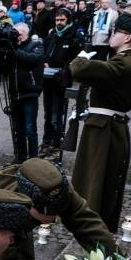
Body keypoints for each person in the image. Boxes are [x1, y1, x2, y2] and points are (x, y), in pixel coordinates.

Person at [69, 9, 131, 232]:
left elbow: (79, 69)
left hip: (104, 130)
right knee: (100, 182)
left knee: (94, 183)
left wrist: (82, 55)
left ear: (128, 38)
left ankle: (90, 230)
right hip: (107, 127)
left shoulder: (124, 64)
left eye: (117, 31)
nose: (112, 35)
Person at [40, 8, 83, 160]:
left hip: (61, 81)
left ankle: (55, 145)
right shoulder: (52, 34)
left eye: (62, 20)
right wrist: (44, 61)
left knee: (57, 116)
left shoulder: (74, 36)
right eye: (57, 20)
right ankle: (46, 142)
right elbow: (45, 51)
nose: (59, 23)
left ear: (68, 20)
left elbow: (77, 59)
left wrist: (64, 70)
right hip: (48, 79)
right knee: (47, 113)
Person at [8, 23, 44, 161]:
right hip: (15, 93)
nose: (15, 36)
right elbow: (5, 69)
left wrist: (13, 50)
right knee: (18, 129)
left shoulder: (36, 46)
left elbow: (32, 59)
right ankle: (20, 157)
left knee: (30, 129)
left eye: (17, 33)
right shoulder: (13, 47)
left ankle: (33, 159)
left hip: (29, 93)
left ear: (24, 34)